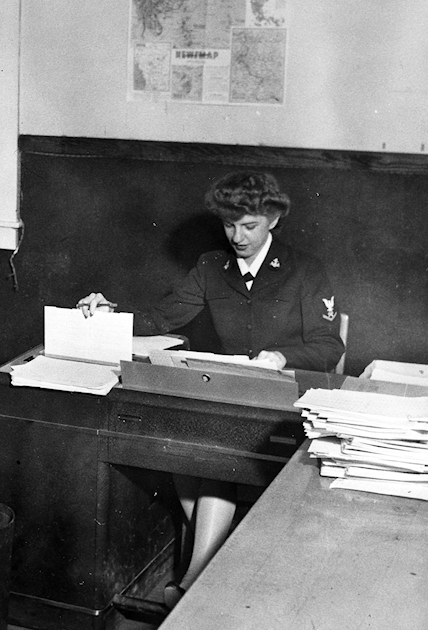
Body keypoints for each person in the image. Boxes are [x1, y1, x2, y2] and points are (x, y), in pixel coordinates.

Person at [77, 171, 343, 607]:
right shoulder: (211, 266)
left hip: (283, 402)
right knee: (195, 447)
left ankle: (193, 582)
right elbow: (162, 319)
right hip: (229, 398)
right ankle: (210, 573)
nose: (237, 236)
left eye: (250, 225)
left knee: (209, 454)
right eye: (229, 225)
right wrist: (108, 310)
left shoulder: (305, 270)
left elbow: (329, 346)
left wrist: (282, 356)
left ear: (273, 219)